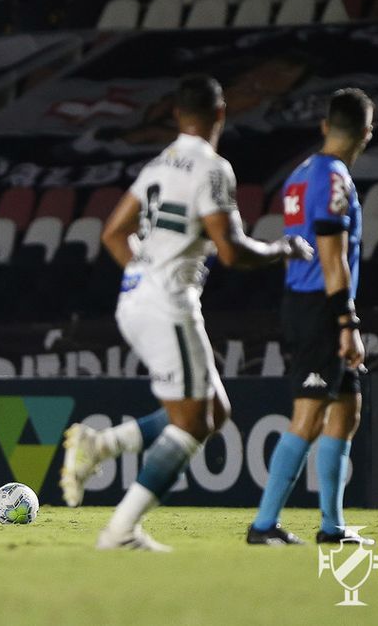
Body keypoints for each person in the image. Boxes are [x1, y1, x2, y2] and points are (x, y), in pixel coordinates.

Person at [64, 74, 312, 550]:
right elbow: (232, 250)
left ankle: (101, 445)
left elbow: (113, 232)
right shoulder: (212, 168)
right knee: (193, 421)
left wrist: (144, 272)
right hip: (167, 303)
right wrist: (282, 248)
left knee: (214, 411)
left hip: (136, 298)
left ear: (176, 114)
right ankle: (121, 531)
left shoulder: (158, 164)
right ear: (221, 112)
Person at [247, 89, 373, 546]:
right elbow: (331, 255)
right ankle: (263, 525)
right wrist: (347, 324)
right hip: (322, 305)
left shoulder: (299, 174)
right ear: (366, 133)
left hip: (305, 300)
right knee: (309, 414)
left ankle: (332, 526)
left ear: (325, 126)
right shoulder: (335, 179)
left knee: (346, 410)